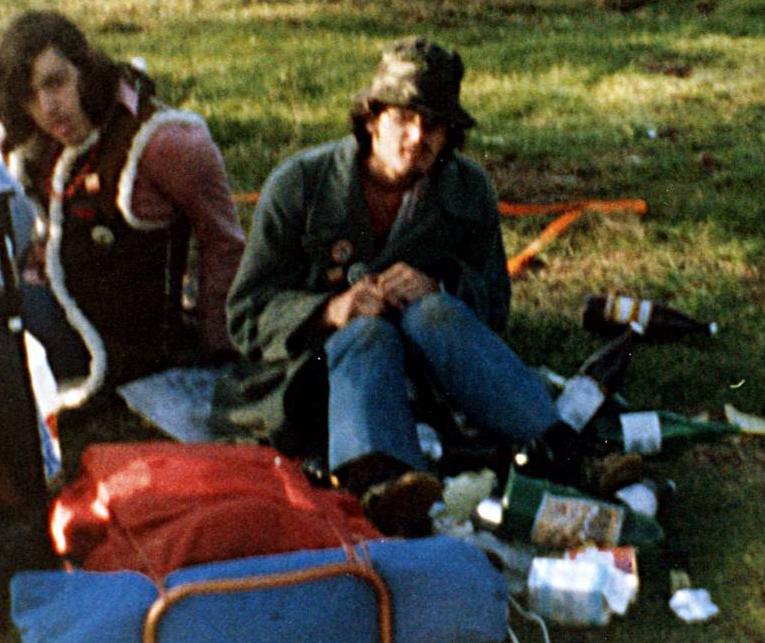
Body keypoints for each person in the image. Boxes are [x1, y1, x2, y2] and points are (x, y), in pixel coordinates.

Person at [211, 38, 579, 537]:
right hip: (313, 378)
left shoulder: (467, 190)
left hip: (430, 376)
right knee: (367, 335)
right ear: (371, 119)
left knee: (435, 313)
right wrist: (331, 310)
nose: (417, 137)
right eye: (404, 118)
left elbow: (493, 308)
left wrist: (440, 286)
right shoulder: (300, 185)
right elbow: (246, 316)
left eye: (435, 125)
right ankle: (385, 481)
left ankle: (566, 447)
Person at [0, 11, 245, 407]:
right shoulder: (27, 141)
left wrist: (219, 356)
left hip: (132, 351)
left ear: (85, 68)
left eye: (56, 83)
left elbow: (223, 243)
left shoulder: (164, 142)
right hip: (51, 316)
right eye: (30, 96)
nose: (48, 106)